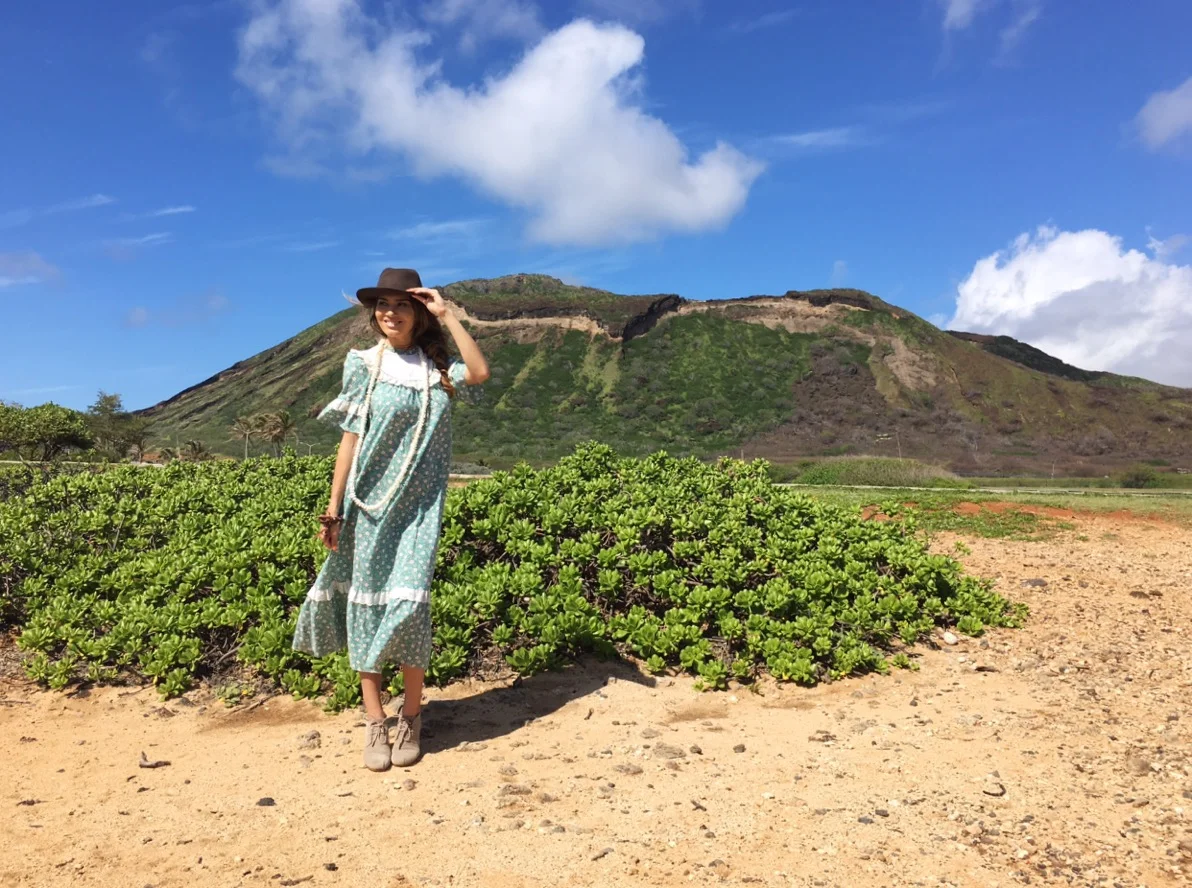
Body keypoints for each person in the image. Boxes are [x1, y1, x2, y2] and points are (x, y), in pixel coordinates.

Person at [292, 268, 489, 770]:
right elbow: (350, 439)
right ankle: (375, 721)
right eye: (382, 304)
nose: (390, 312)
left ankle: (413, 718)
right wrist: (334, 506)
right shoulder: (362, 365)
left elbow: (481, 371)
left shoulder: (438, 368)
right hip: (368, 506)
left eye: (402, 304)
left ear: (419, 311)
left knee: (409, 608)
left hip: (419, 511)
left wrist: (449, 314)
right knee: (366, 609)